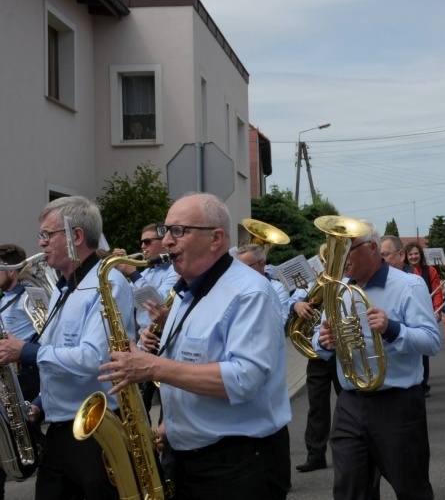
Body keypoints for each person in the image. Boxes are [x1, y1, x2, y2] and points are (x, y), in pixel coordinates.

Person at [98, 193, 292, 500]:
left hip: (240, 464)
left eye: (179, 231)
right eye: (165, 231)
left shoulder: (250, 293)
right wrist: (169, 426)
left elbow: (243, 379)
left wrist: (151, 366)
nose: (166, 242)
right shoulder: (184, 292)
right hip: (189, 457)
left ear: (215, 238)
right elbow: (189, 364)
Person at [0, 196, 135, 499]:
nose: (41, 243)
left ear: (76, 236)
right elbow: (62, 357)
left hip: (94, 433)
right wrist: (38, 404)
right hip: (62, 430)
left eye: (47, 235)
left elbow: (94, 358)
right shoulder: (64, 288)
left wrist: (26, 351)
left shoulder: (106, 283)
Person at [313, 220, 441, 500]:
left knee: (411, 488)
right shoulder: (338, 289)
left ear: (372, 248)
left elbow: (432, 342)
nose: (340, 259)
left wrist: (391, 328)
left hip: (397, 404)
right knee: (349, 490)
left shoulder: (409, 284)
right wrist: (323, 341)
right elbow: (318, 340)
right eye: (337, 250)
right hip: (349, 402)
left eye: (346, 250)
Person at [112, 224, 179, 415]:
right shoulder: (147, 271)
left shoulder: (173, 270)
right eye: (141, 242)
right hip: (144, 340)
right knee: (139, 406)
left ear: (163, 243)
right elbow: (127, 300)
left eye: (148, 241)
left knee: (166, 405)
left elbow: (157, 303)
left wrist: (132, 272)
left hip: (161, 340)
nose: (143, 246)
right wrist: (117, 271)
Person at [0, 244, 44, 496]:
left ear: (12, 270)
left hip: (27, 368)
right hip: (10, 370)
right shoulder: (4, 298)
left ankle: (34, 458)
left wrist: (22, 348)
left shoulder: (29, 295)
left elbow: (44, 329)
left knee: (29, 424)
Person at [289, 277, 341, 474]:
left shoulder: (349, 280)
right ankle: (315, 455)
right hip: (317, 354)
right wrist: (297, 305)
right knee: (317, 406)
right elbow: (290, 302)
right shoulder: (315, 281)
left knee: (347, 403)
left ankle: (349, 451)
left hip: (342, 352)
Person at [405, 240, 442, 397]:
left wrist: (437, 310)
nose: (414, 257)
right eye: (411, 254)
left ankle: (423, 384)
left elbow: (437, 290)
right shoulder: (403, 271)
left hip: (424, 314)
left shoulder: (430, 270)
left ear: (420, 255)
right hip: (408, 313)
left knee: (423, 350)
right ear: (406, 256)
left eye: (416, 254)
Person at [236, 243, 291, 322]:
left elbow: (279, 322)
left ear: (262, 264)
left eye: (246, 267)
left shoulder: (279, 289)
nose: (241, 272)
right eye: (238, 267)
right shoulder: (235, 287)